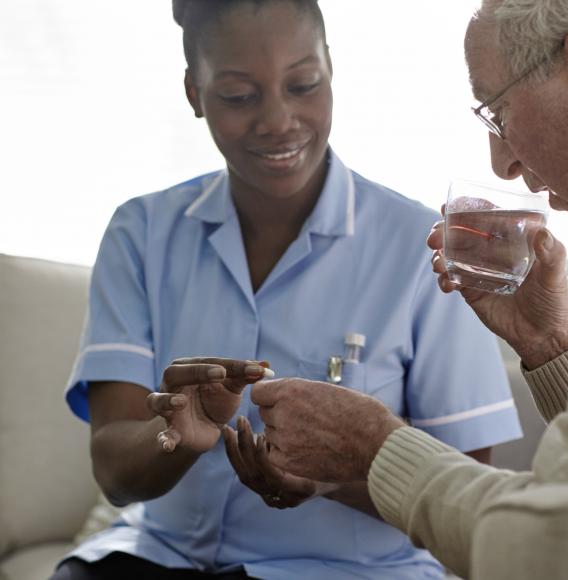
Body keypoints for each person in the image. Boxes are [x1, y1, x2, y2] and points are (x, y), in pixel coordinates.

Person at [51, 1, 522, 579]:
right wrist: (175, 431)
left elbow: (466, 502)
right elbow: (116, 475)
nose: (278, 119)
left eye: (303, 84)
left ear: (330, 69)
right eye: (239, 96)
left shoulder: (421, 247)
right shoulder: (140, 233)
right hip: (155, 560)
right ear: (194, 94)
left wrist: (335, 476)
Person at [247, 1, 568, 578]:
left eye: (497, 112)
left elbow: (540, 543)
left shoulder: (402, 233)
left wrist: (375, 447)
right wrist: (551, 349)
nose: (503, 164)